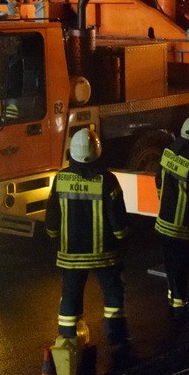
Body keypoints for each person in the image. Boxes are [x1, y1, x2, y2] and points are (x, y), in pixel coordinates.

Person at [45, 127, 130, 348]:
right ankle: (116, 337)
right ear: (97, 152)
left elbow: (52, 215)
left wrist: (54, 236)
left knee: (71, 295)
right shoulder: (108, 180)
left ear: (72, 152)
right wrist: (122, 237)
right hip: (104, 254)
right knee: (113, 293)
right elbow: (117, 218)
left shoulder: (60, 178)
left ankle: (67, 338)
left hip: (70, 254)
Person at [154, 114, 189, 323]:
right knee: (183, 268)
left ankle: (173, 302)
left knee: (171, 267)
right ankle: (180, 309)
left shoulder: (169, 151)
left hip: (164, 223)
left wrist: (164, 201)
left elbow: (158, 180)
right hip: (182, 227)